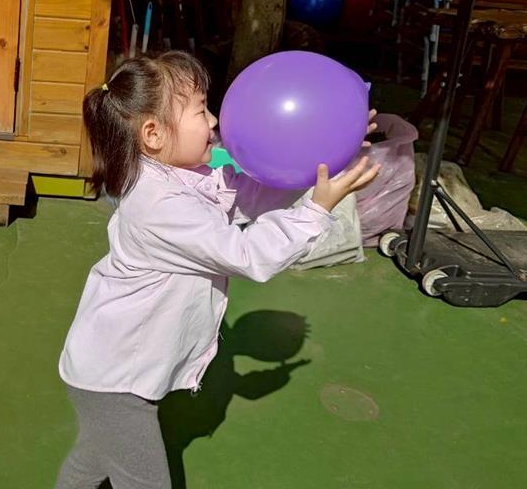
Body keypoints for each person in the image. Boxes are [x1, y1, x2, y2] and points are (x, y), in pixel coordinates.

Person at [56, 51, 380, 489]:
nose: (213, 121)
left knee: (93, 458)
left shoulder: (186, 175)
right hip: (115, 381)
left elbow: (247, 194)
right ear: (153, 134)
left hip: (113, 371)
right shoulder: (158, 206)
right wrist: (317, 210)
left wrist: (324, 152)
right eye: (200, 110)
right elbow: (246, 254)